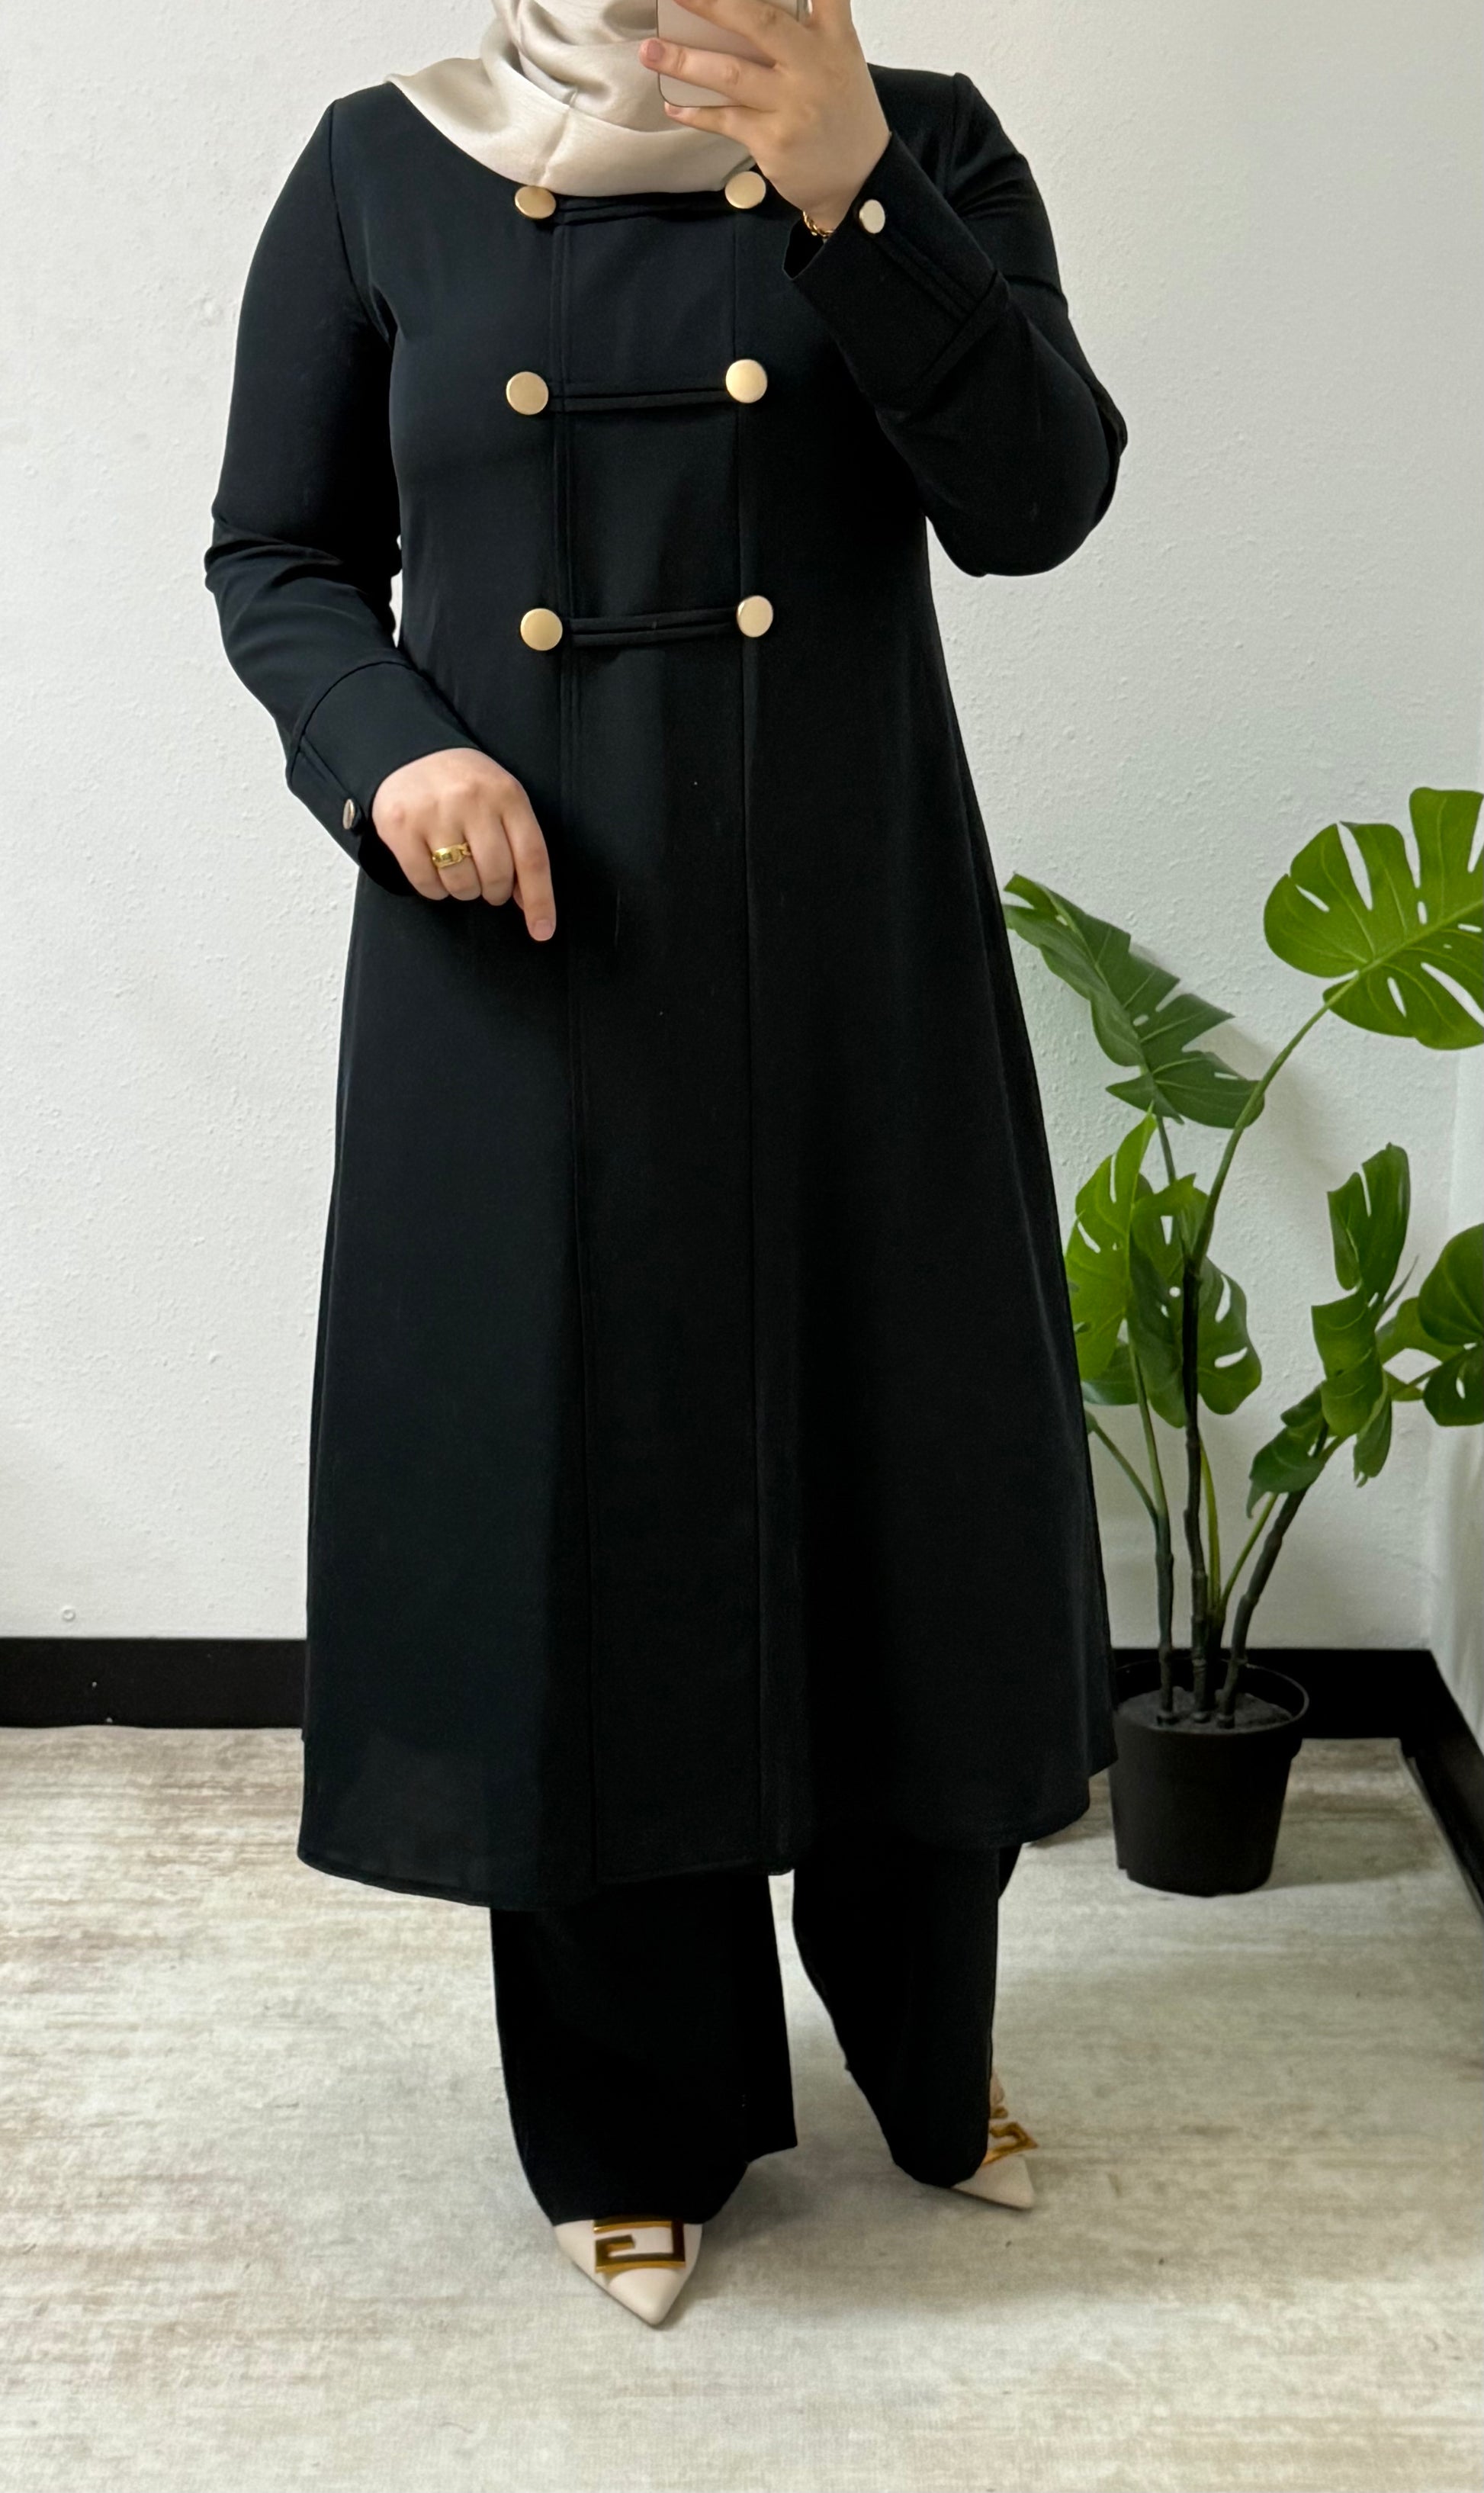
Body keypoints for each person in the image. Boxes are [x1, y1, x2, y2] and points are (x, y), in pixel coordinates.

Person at [204, 0, 1127, 2325]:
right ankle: (629, 2124)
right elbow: (277, 553)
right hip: (521, 971)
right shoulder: (382, 164)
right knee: (573, 1513)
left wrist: (854, 196)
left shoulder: (918, 139)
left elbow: (1037, 502)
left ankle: (926, 2060)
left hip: (845, 957)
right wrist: (389, 755)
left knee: (899, 1494)